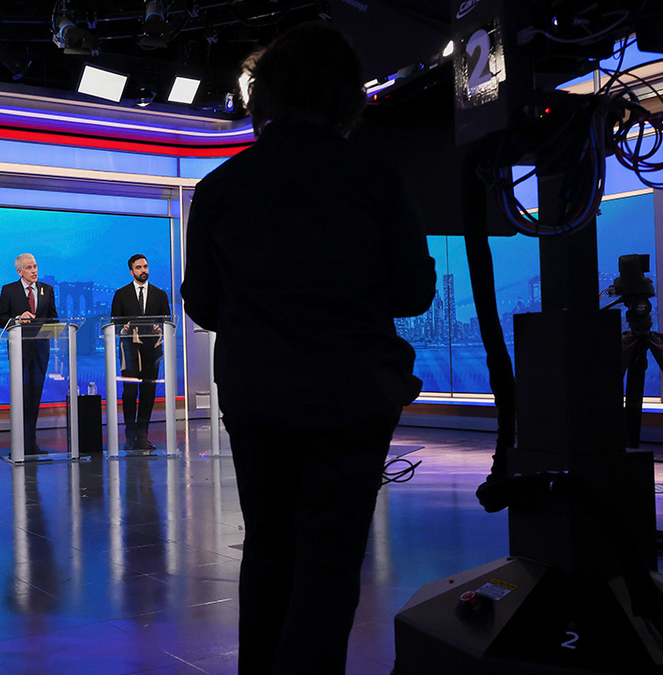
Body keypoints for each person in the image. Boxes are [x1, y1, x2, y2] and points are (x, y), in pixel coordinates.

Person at [181, 22, 436, 675]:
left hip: (256, 396)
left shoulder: (218, 189)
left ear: (264, 96)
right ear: (344, 94)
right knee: (329, 561)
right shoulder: (375, 178)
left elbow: (202, 303)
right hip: (350, 399)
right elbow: (413, 294)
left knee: (268, 549)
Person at [0, 253, 57, 455]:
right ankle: (19, 443)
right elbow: (0, 319)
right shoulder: (9, 290)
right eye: (29, 268)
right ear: (20, 271)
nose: (34, 271)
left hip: (40, 350)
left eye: (36, 266)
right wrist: (17, 318)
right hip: (19, 349)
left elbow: (54, 319)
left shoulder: (47, 290)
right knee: (21, 397)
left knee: (35, 397)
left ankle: (31, 443)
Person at [110, 254, 171, 451]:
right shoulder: (121, 294)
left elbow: (167, 321)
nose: (143, 270)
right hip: (129, 348)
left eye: (145, 266)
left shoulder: (160, 294)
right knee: (129, 392)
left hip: (152, 350)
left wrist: (160, 329)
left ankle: (143, 434)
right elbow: (114, 322)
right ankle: (130, 434)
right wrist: (124, 328)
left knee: (148, 391)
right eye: (139, 267)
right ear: (131, 271)